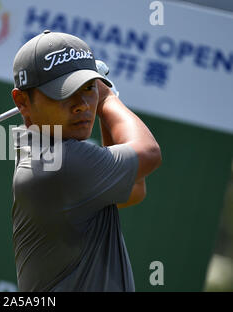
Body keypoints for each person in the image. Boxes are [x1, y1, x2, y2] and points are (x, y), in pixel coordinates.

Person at [10, 30, 162, 292]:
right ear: (22, 101)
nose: (82, 105)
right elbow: (149, 153)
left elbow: (135, 189)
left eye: (88, 88)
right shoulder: (61, 164)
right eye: (62, 93)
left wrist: (101, 100)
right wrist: (106, 98)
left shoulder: (43, 149)